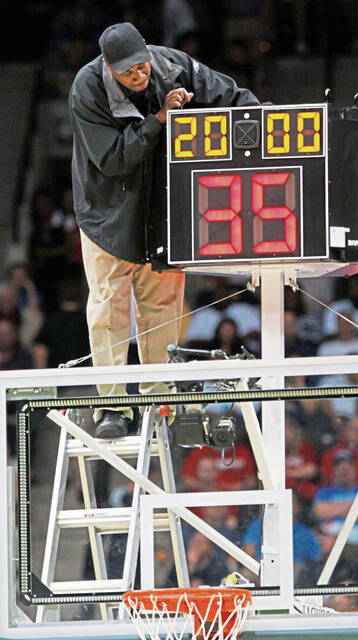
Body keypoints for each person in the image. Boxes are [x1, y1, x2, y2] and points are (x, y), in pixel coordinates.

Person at [68, 21, 260, 438]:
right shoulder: (87, 89)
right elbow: (115, 159)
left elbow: (231, 95)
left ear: (148, 54)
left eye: (141, 66)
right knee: (109, 308)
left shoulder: (172, 66)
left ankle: (162, 399)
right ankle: (112, 408)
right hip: (107, 213)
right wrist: (160, 118)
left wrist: (262, 126)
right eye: (128, 72)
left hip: (161, 209)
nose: (139, 76)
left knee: (162, 307)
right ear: (107, 66)